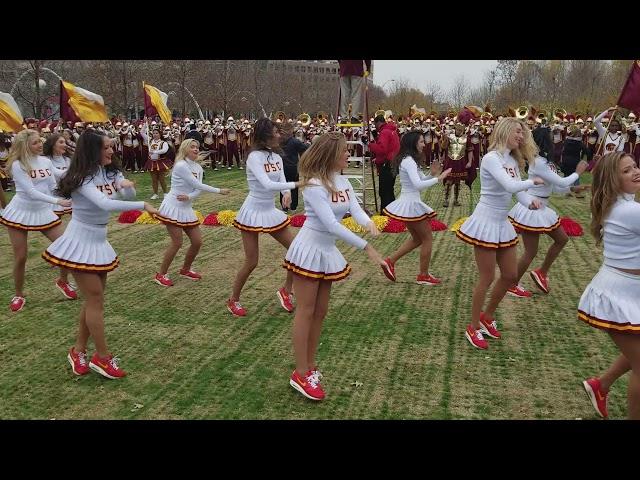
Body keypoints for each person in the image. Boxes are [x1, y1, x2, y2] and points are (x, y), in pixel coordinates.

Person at [284, 131, 393, 401]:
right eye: (344, 151)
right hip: (309, 248)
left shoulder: (342, 181)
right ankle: (300, 372)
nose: (348, 154)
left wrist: (368, 222)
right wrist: (366, 247)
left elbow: (354, 209)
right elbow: (331, 224)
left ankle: (309, 365)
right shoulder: (313, 185)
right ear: (331, 155)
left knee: (320, 311)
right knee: (306, 310)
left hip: (326, 250)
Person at [43, 131, 158, 379]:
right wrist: (142, 206)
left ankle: (78, 351)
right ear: (92, 150)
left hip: (99, 240)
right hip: (79, 242)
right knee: (96, 299)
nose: (111, 151)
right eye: (106, 147)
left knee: (93, 299)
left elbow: (125, 196)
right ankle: (102, 357)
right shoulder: (81, 177)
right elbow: (104, 204)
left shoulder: (110, 171)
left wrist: (127, 187)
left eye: (111, 146)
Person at [456, 118, 544, 349]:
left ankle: (487, 316)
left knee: (510, 275)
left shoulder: (512, 161)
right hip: (485, 222)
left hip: (502, 224)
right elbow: (509, 186)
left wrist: (531, 203)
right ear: (504, 131)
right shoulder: (491, 159)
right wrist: (531, 182)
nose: (521, 137)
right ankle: (473, 326)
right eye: (517, 131)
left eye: (522, 133)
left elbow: (517, 194)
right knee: (487, 277)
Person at [579, 152, 640, 419]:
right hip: (616, 296)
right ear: (612, 181)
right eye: (626, 171)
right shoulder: (628, 210)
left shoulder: (623, 204)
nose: (636, 171)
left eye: (635, 166)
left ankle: (600, 385)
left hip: (629, 290)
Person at [228, 118, 305, 317]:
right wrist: (297, 185)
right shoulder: (254, 157)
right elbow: (267, 185)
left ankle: (286, 291)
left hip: (270, 211)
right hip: (252, 212)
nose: (279, 135)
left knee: (296, 250)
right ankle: (233, 299)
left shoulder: (277, 157)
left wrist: (287, 193)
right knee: (252, 261)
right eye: (275, 132)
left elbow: (280, 181)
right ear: (265, 135)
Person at [507, 127, 590, 298]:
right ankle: (511, 284)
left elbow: (557, 187)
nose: (555, 141)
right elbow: (561, 181)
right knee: (531, 251)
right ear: (545, 141)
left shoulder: (546, 163)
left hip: (541, 207)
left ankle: (541, 272)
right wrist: (578, 173)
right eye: (551, 138)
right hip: (532, 207)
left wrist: (574, 188)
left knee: (562, 239)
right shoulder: (538, 162)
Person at [0, 129, 76, 312]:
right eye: (35, 143)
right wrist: (58, 202)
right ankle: (18, 294)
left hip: (42, 211)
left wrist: (79, 167)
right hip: (20, 212)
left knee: (65, 246)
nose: (40, 144)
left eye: (40, 141)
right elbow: (31, 192)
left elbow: (55, 180)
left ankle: (63, 281)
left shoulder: (45, 161)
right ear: (25, 145)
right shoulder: (18, 165)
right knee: (21, 256)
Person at [154, 139, 230, 286]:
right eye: (192, 147)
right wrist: (219, 191)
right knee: (177, 243)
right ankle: (161, 274)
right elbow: (196, 184)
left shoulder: (198, 168)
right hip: (173, 207)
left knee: (197, 242)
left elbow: (197, 189)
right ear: (185, 149)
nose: (196, 149)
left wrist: (189, 196)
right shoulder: (181, 165)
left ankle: (186, 269)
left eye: (197, 147)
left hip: (186, 209)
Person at [382, 131, 451, 284]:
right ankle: (423, 275)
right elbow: (418, 185)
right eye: (421, 142)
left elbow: (418, 183)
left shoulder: (409, 160)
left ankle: (390, 261)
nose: (424, 144)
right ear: (413, 143)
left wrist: (431, 175)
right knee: (427, 238)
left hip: (410, 203)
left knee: (418, 239)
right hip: (411, 204)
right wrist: (438, 179)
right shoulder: (409, 161)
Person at [368, 115, 400, 213]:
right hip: (393, 163)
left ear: (378, 123)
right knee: (389, 190)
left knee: (384, 191)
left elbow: (382, 149)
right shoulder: (391, 130)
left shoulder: (385, 132)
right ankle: (393, 212)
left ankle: (386, 214)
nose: (375, 127)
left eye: (375, 124)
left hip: (387, 165)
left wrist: (370, 144)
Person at [279, 122, 309, 212]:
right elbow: (304, 148)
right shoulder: (294, 141)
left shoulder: (279, 141)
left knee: (283, 186)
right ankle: (293, 206)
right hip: (293, 167)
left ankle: (284, 206)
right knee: (294, 188)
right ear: (291, 131)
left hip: (282, 167)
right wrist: (307, 143)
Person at [44, 134, 73, 217]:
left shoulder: (67, 159)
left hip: (67, 192)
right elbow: (59, 174)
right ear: (52, 145)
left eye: (65, 142)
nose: (65, 145)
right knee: (55, 220)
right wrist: (75, 170)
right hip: (52, 195)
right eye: (61, 142)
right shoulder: (45, 160)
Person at [144, 128, 172, 200]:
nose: (155, 135)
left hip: (160, 162)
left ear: (160, 134)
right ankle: (155, 194)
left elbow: (164, 150)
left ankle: (165, 193)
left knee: (161, 179)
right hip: (152, 162)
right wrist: (144, 124)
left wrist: (155, 152)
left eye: (157, 133)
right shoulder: (150, 141)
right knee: (154, 179)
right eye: (154, 133)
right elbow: (142, 133)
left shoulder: (163, 143)